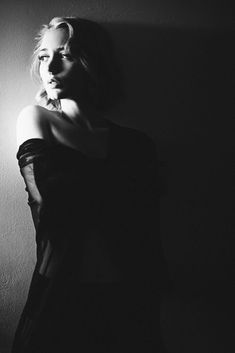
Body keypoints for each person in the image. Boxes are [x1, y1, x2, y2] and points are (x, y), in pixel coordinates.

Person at [12, 16, 167, 353]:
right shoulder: (37, 119)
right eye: (43, 56)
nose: (49, 67)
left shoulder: (137, 145)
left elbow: (145, 236)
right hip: (60, 302)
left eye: (64, 56)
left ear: (90, 63)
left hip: (127, 305)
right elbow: (58, 209)